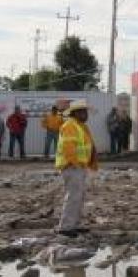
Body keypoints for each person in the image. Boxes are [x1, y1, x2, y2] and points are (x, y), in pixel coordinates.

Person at [55, 100, 97, 237]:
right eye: (83, 112)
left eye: (85, 112)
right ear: (75, 113)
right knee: (74, 196)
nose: (86, 114)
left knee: (78, 196)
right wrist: (76, 163)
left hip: (78, 166)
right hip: (72, 165)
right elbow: (69, 147)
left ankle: (74, 224)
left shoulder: (79, 126)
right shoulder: (70, 125)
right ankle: (66, 227)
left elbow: (86, 146)